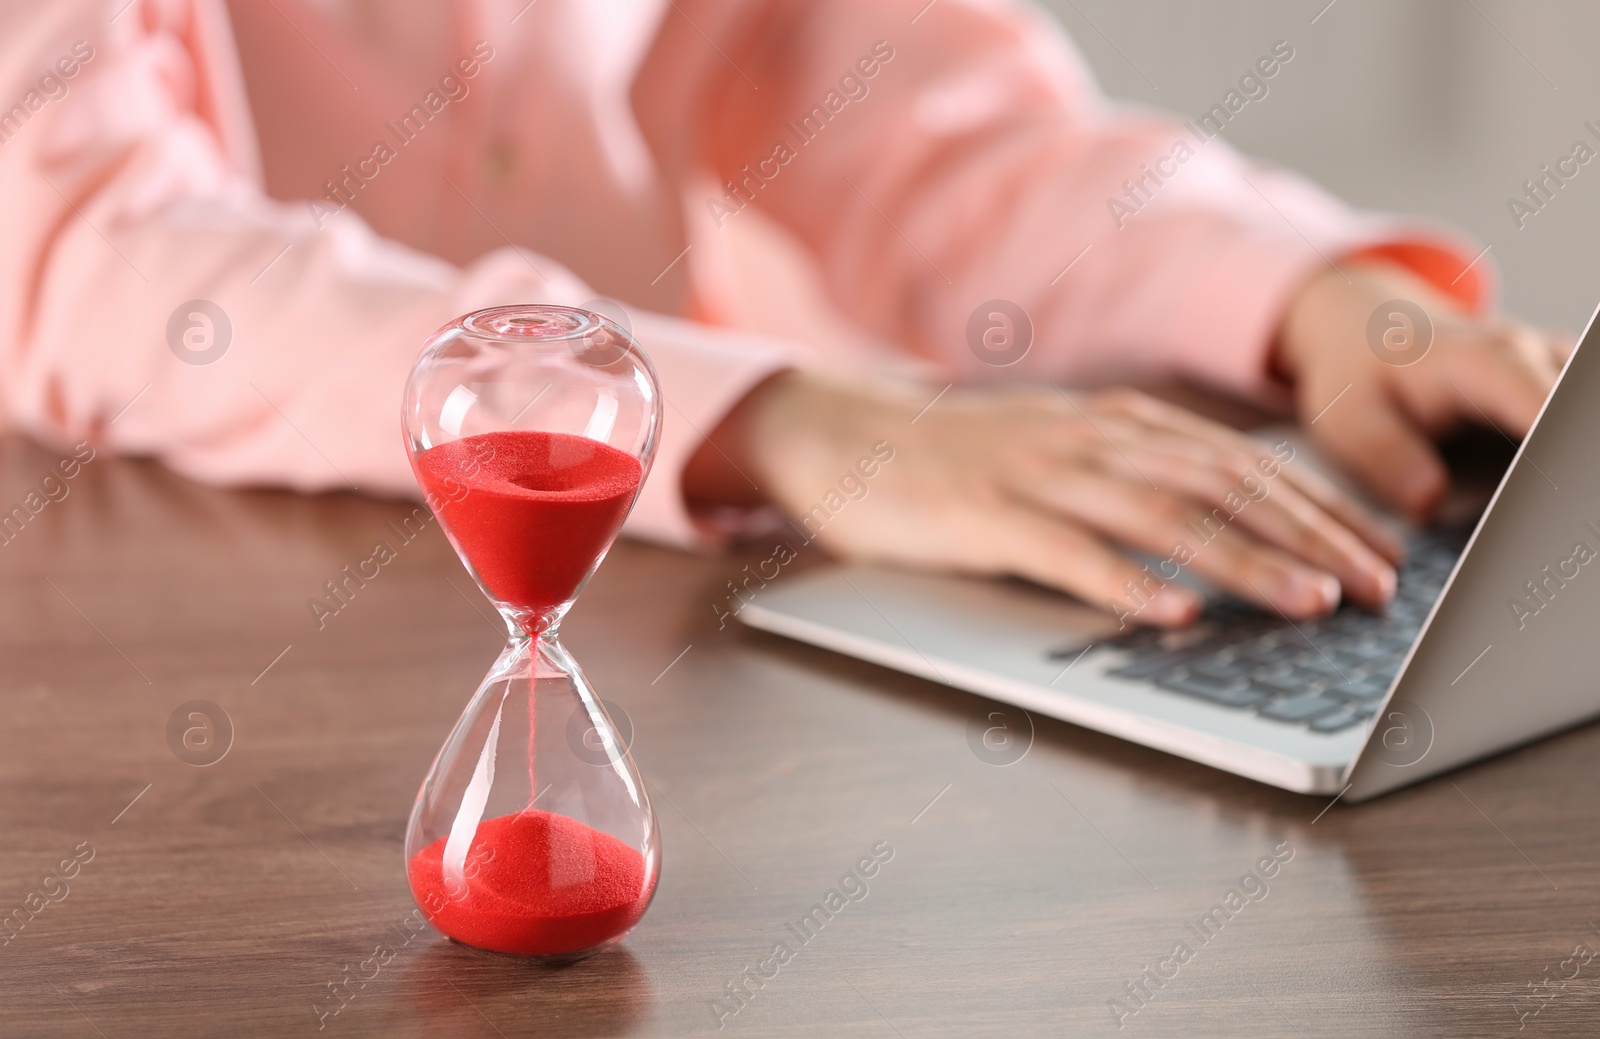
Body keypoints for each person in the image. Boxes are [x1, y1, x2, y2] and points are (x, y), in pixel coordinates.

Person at [0, 0, 1568, 627]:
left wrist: (1303, 294)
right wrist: (775, 416)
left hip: (647, 609)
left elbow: (915, 122)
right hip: (184, 642)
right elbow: (98, 259)